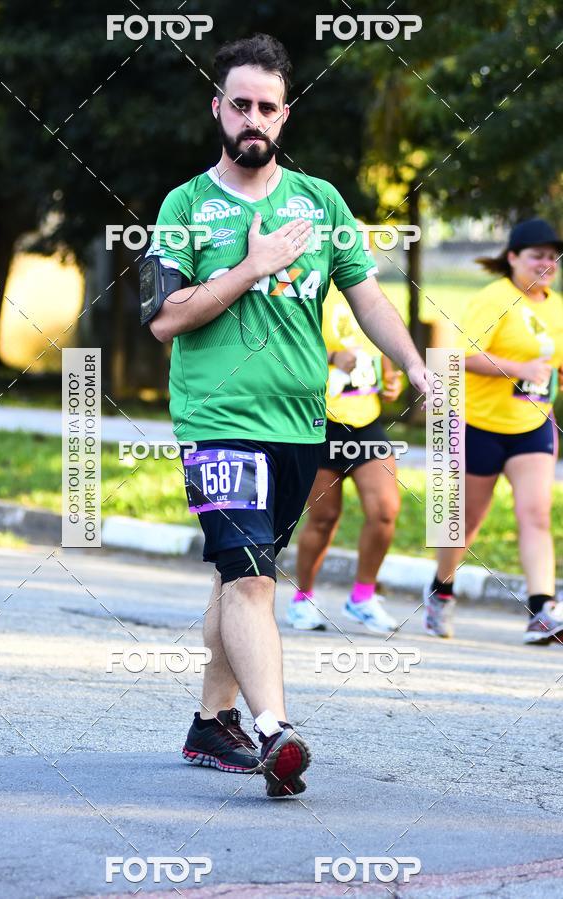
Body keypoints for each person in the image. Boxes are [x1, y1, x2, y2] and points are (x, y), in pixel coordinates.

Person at [144, 33, 428, 797]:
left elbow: (366, 295)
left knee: (240, 579)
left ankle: (212, 722)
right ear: (218, 107)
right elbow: (165, 318)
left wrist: (414, 361)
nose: (253, 118)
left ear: (285, 115)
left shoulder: (322, 203)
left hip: (301, 426)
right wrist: (252, 266)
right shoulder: (184, 206)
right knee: (250, 579)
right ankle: (274, 729)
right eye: (240, 104)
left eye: (267, 107)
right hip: (217, 419)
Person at [424, 219, 563, 644]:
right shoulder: (494, 299)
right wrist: (518, 368)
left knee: (536, 514)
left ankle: (542, 608)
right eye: (536, 254)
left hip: (532, 425)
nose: (546, 262)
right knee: (465, 524)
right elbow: (461, 356)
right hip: (478, 426)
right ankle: (441, 591)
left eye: (551, 255)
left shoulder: (556, 305)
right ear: (513, 257)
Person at [289, 282, 403, 632]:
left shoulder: (372, 296)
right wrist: (331, 357)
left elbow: (384, 351)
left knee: (385, 510)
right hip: (317, 422)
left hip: (364, 422)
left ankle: (363, 597)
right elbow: (281, 349)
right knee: (324, 519)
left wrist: (391, 379)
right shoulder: (302, 288)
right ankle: (302, 599)